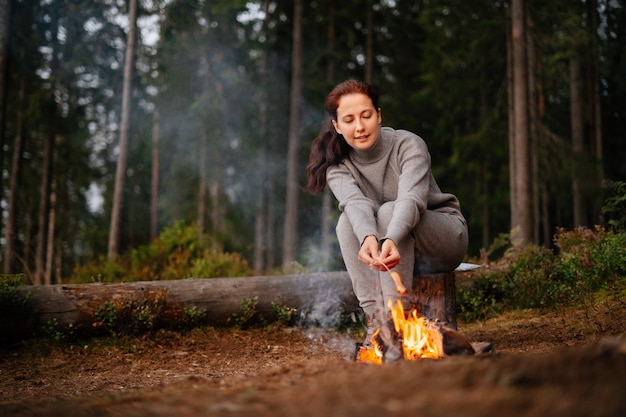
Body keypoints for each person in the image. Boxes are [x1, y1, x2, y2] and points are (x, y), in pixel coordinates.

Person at [305, 79, 468, 350]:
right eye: (349, 119)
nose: (359, 127)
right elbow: (355, 203)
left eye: (366, 115)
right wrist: (369, 236)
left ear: (379, 115)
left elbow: (412, 199)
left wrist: (391, 236)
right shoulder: (337, 166)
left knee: (390, 210)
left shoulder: (408, 145)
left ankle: (396, 321)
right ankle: (376, 321)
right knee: (348, 222)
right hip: (392, 245)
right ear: (337, 125)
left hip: (443, 237)